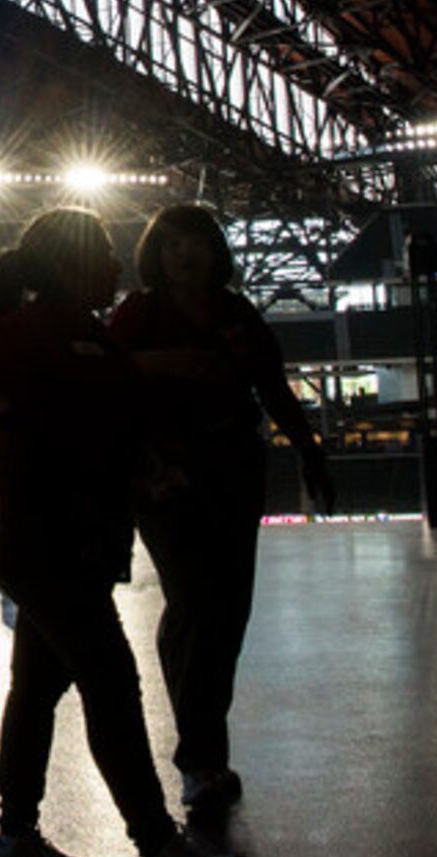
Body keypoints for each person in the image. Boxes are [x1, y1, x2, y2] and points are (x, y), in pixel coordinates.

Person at [0, 206, 248, 857]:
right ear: (67, 262)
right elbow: (10, 443)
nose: (119, 266)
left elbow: (103, 424)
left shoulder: (79, 331)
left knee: (36, 689)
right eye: (103, 252)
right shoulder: (31, 336)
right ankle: (159, 853)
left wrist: (147, 468)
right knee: (112, 684)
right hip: (47, 544)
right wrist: (8, 545)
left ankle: (16, 840)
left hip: (77, 541)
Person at [110, 203, 339, 814]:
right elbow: (102, 381)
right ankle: (201, 755)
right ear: (155, 255)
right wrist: (152, 366)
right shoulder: (138, 317)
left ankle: (203, 745)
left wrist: (312, 455)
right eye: (172, 244)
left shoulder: (239, 315)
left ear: (215, 251)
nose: (183, 254)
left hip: (234, 475)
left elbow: (275, 390)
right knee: (198, 603)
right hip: (164, 482)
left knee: (225, 610)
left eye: (194, 243)